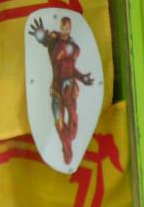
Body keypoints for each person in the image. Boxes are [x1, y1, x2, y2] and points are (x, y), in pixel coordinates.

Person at [28, 16, 94, 164]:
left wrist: (82, 78)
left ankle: (68, 148)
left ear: (70, 29)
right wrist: (42, 37)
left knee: (73, 125)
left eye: (67, 28)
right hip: (57, 90)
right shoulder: (55, 40)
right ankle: (67, 153)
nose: (64, 31)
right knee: (59, 124)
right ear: (60, 27)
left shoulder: (74, 48)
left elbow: (70, 68)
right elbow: (47, 40)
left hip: (69, 90)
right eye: (62, 28)